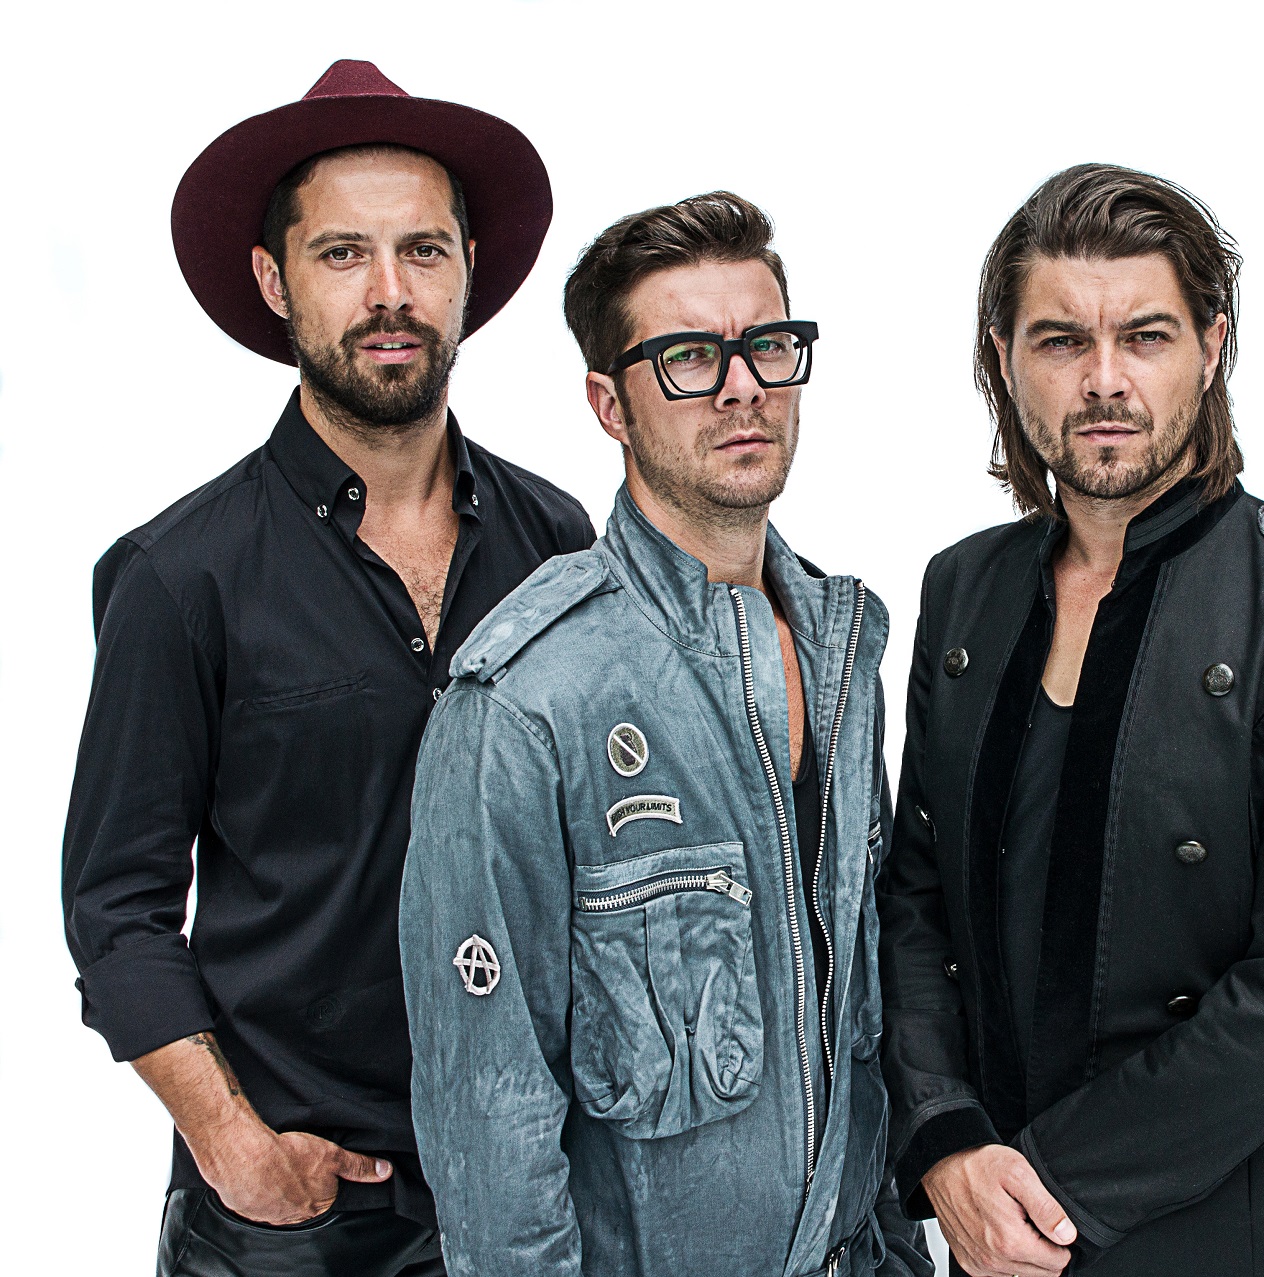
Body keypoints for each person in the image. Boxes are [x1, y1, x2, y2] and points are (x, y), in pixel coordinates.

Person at [60, 60, 593, 1276]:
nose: (389, 293)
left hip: (525, 1191)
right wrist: (235, 1146)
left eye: (423, 251)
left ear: (469, 271)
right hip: (290, 1216)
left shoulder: (557, 541)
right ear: (275, 282)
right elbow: (115, 909)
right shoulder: (179, 575)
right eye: (343, 253)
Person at [878, 163, 1264, 1277]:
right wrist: (945, 1139)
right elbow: (916, 897)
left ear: (1211, 347)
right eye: (1061, 340)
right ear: (1003, 358)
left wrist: (1033, 1183)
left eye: (1146, 336)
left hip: (1231, 1243)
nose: (1104, 380)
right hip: (992, 1233)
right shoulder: (965, 587)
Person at [399, 192, 931, 1277]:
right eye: (689, 357)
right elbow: (491, 1123)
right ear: (610, 403)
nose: (743, 387)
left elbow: (860, 1028)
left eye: (768, 346)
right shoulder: (525, 699)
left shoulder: (843, 648)